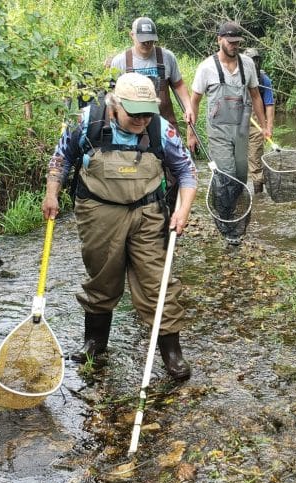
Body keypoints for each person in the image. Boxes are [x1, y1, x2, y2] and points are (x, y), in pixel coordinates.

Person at [42, 72, 198, 381]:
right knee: (102, 278)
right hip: (98, 212)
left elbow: (187, 171)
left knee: (157, 282)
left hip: (148, 214)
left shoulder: (160, 129)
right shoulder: (86, 122)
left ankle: (172, 353)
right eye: (134, 113)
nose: (142, 119)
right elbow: (60, 159)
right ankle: (95, 344)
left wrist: (183, 211)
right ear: (115, 104)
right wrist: (51, 194)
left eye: (147, 113)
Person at [189, 21, 271, 250]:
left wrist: (264, 126)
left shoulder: (247, 65)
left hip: (242, 129)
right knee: (228, 173)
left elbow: (255, 96)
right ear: (219, 40)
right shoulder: (206, 68)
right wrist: (191, 135)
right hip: (218, 131)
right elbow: (194, 101)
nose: (234, 46)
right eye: (230, 42)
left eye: (237, 43)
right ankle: (225, 221)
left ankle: (228, 207)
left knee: (242, 176)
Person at [107, 17, 195, 130]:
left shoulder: (167, 57)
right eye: (143, 40)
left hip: (165, 125)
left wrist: (188, 107)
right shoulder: (120, 61)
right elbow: (111, 93)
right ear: (132, 35)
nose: (147, 43)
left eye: (150, 40)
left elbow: (179, 85)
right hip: (133, 126)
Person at [244, 48, 275, 194]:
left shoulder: (264, 80)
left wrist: (268, 127)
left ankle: (258, 197)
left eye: (256, 60)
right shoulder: (236, 76)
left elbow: (269, 105)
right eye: (252, 60)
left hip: (256, 121)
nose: (254, 63)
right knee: (237, 162)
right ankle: (238, 195)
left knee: (256, 160)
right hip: (236, 121)